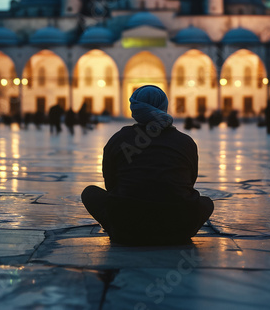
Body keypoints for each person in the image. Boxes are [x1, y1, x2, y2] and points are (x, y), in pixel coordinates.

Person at [81, 85, 214, 246]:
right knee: (206, 202)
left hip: (126, 228)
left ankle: (117, 228)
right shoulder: (185, 142)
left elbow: (111, 184)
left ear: (135, 109)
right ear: (164, 107)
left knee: (90, 193)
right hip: (179, 228)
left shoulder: (119, 138)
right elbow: (189, 181)